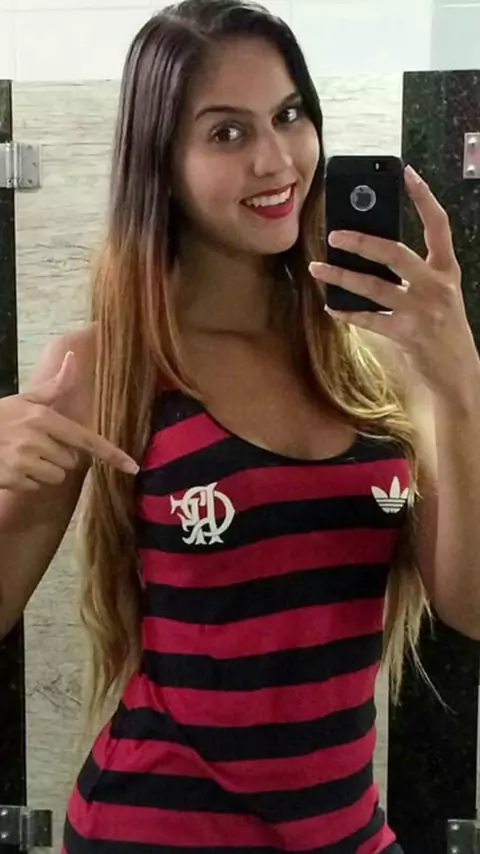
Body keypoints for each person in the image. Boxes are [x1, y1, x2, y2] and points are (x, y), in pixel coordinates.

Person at [1, 0, 479, 851]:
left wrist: (461, 384)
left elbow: (468, 607)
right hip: (156, 825)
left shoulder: (380, 357)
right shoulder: (106, 364)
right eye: (227, 133)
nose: (276, 159)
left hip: (346, 829)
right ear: (162, 163)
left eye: (290, 115)